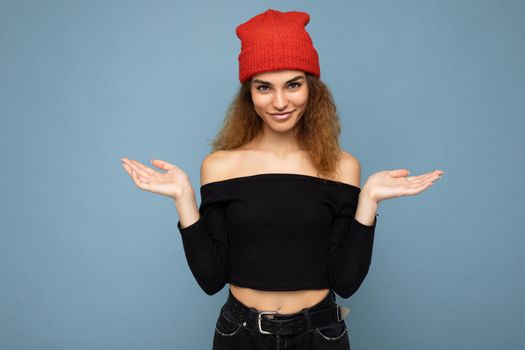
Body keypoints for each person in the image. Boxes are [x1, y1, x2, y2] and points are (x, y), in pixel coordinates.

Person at [120, 8, 444, 350]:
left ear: (312, 88)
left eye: (293, 85)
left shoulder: (342, 166)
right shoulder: (219, 167)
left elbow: (345, 282)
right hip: (239, 335)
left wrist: (369, 201)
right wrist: (184, 199)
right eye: (264, 87)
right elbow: (212, 279)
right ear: (249, 94)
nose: (279, 102)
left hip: (319, 335)